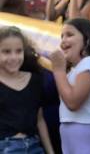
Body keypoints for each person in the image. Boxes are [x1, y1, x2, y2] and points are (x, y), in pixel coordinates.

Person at [49, 18, 90, 154]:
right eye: (62, 36)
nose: (63, 40)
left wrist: (58, 70)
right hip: (70, 133)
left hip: (87, 131)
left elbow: (72, 102)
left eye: (70, 35)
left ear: (87, 39)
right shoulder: (74, 70)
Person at [0, 26, 54, 154]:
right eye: (6, 52)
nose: (14, 57)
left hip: (34, 146)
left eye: (19, 51)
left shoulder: (35, 80)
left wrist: (50, 151)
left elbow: (40, 120)